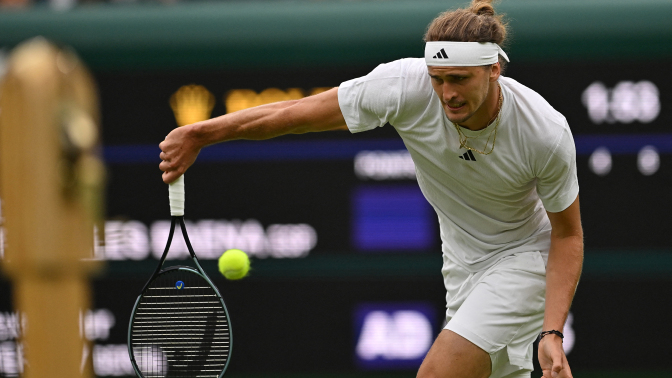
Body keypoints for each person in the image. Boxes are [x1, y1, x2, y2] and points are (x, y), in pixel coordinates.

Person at [159, 1, 583, 377]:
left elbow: (567, 234)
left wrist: (551, 330)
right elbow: (296, 113)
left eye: (459, 79)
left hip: (524, 258)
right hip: (460, 265)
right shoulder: (404, 86)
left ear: (494, 70)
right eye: (437, 78)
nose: (447, 93)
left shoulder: (544, 131)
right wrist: (201, 133)